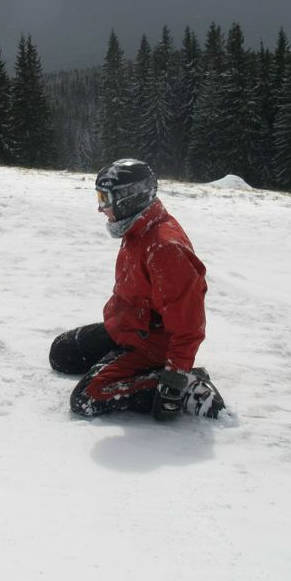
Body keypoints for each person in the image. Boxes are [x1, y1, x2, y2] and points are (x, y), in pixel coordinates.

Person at [49, 158, 225, 420]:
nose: (101, 209)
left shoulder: (165, 248)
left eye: (105, 199)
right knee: (62, 353)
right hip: (128, 327)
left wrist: (174, 378)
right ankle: (123, 361)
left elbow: (189, 325)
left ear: (128, 198)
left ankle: (187, 385)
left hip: (153, 343)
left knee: (86, 399)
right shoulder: (136, 229)